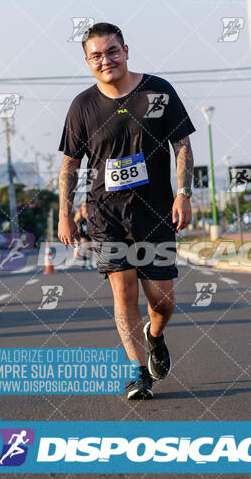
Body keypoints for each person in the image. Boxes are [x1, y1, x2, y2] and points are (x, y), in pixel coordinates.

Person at [58, 22, 195, 400]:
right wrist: (64, 213)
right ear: (87, 61)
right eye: (96, 56)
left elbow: (182, 146)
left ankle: (155, 337)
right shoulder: (82, 106)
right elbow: (70, 165)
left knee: (162, 301)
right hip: (105, 214)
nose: (106, 60)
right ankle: (137, 373)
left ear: (126, 50)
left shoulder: (158, 92)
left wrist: (183, 193)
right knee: (123, 291)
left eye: (112, 51)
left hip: (154, 211)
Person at [74, 202, 92, 269]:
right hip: (82, 234)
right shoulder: (79, 214)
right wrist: (76, 230)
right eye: (84, 206)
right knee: (85, 247)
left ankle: (89, 263)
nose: (85, 207)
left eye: (86, 206)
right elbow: (74, 222)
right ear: (81, 207)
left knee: (90, 249)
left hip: (90, 233)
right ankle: (84, 263)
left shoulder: (91, 213)